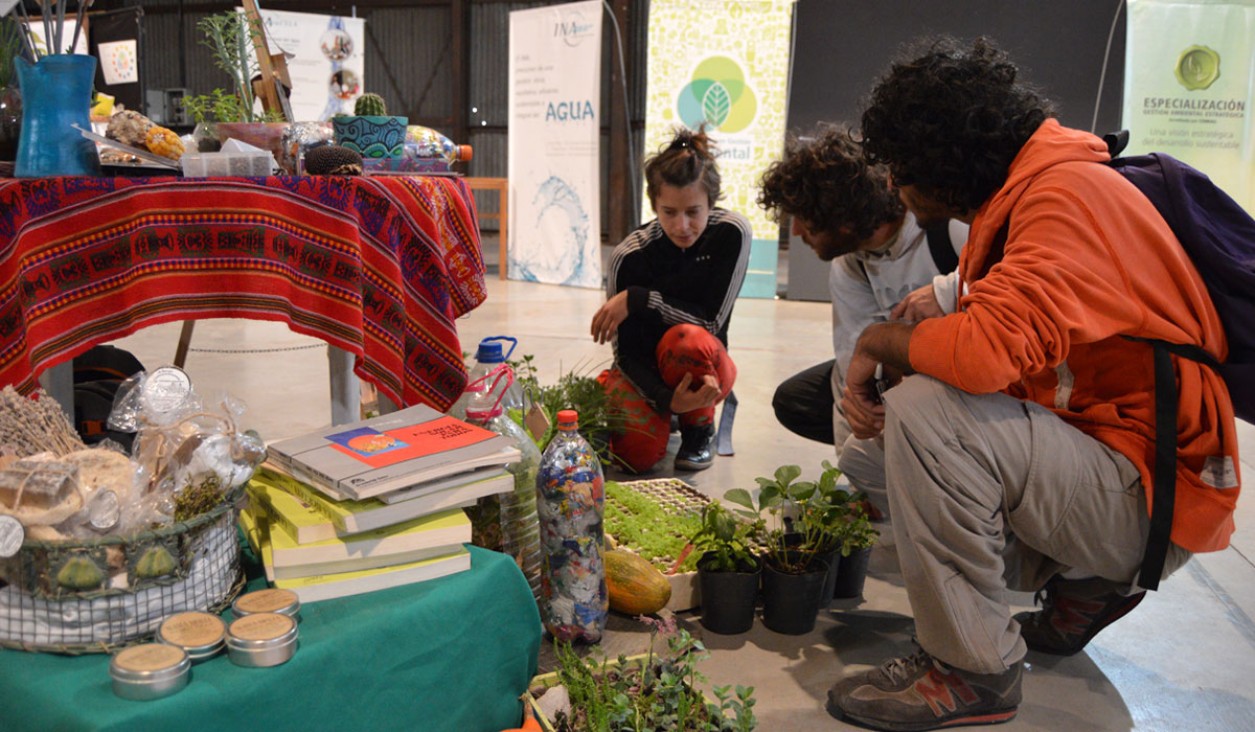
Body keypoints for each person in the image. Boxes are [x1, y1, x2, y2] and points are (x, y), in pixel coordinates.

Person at [825, 38, 1239, 732]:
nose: (895, 187)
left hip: (1148, 491)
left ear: (944, 158)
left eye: (901, 167)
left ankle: (970, 669)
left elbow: (984, 358)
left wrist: (877, 341)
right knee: (875, 448)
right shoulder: (1037, 188)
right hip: (1108, 455)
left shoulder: (1063, 197)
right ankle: (1087, 581)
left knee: (928, 411)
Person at [757, 125, 966, 516]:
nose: (797, 231)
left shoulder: (944, 228)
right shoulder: (850, 264)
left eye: (805, 219)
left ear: (843, 217)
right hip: (909, 369)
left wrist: (949, 291)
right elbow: (852, 361)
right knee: (799, 399)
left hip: (972, 374)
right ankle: (875, 490)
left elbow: (1020, 286)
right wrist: (858, 428)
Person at [590, 126, 750, 473]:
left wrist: (640, 299)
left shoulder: (731, 234)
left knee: (689, 340)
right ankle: (659, 409)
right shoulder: (628, 256)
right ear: (653, 205)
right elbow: (626, 352)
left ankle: (698, 428)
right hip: (644, 368)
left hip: (703, 361)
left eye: (694, 211)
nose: (682, 226)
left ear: (711, 202)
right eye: (669, 212)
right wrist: (665, 398)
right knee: (635, 459)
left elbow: (709, 324)